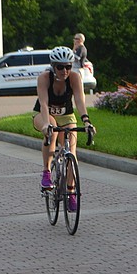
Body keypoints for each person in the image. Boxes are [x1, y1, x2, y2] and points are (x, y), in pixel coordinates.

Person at [33, 46, 96, 213]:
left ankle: (70, 192)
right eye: (60, 67)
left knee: (71, 152)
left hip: (67, 116)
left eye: (68, 66)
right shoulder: (44, 78)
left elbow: (80, 101)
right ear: (53, 66)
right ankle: (46, 172)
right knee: (52, 131)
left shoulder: (75, 77)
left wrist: (87, 121)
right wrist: (46, 124)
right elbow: (44, 103)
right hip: (44, 115)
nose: (64, 70)